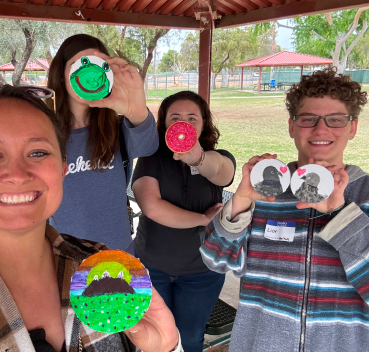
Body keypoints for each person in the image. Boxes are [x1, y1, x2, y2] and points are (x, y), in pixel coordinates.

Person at [0, 85, 180, 352]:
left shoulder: (101, 266)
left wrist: (166, 348)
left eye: (38, 153)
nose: (17, 174)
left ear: (62, 170)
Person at [200, 67, 369, 352]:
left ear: (352, 128)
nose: (321, 129)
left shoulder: (364, 194)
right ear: (291, 126)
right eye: (308, 119)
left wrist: (340, 213)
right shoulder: (269, 192)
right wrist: (241, 200)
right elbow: (216, 261)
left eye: (336, 120)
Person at [132, 91, 236, 352]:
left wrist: (198, 158)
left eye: (192, 117)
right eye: (175, 117)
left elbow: (222, 174)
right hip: (152, 268)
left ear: (204, 123)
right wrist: (203, 219)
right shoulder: (151, 159)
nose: (185, 123)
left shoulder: (217, 157)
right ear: (164, 124)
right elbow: (152, 207)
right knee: (153, 339)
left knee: (190, 338)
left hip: (202, 273)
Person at [47, 34, 158, 254]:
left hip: (119, 252)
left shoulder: (116, 128)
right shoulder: (44, 132)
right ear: (61, 74)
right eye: (80, 63)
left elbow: (148, 147)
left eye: (99, 65)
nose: (90, 72)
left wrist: (136, 111)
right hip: (64, 256)